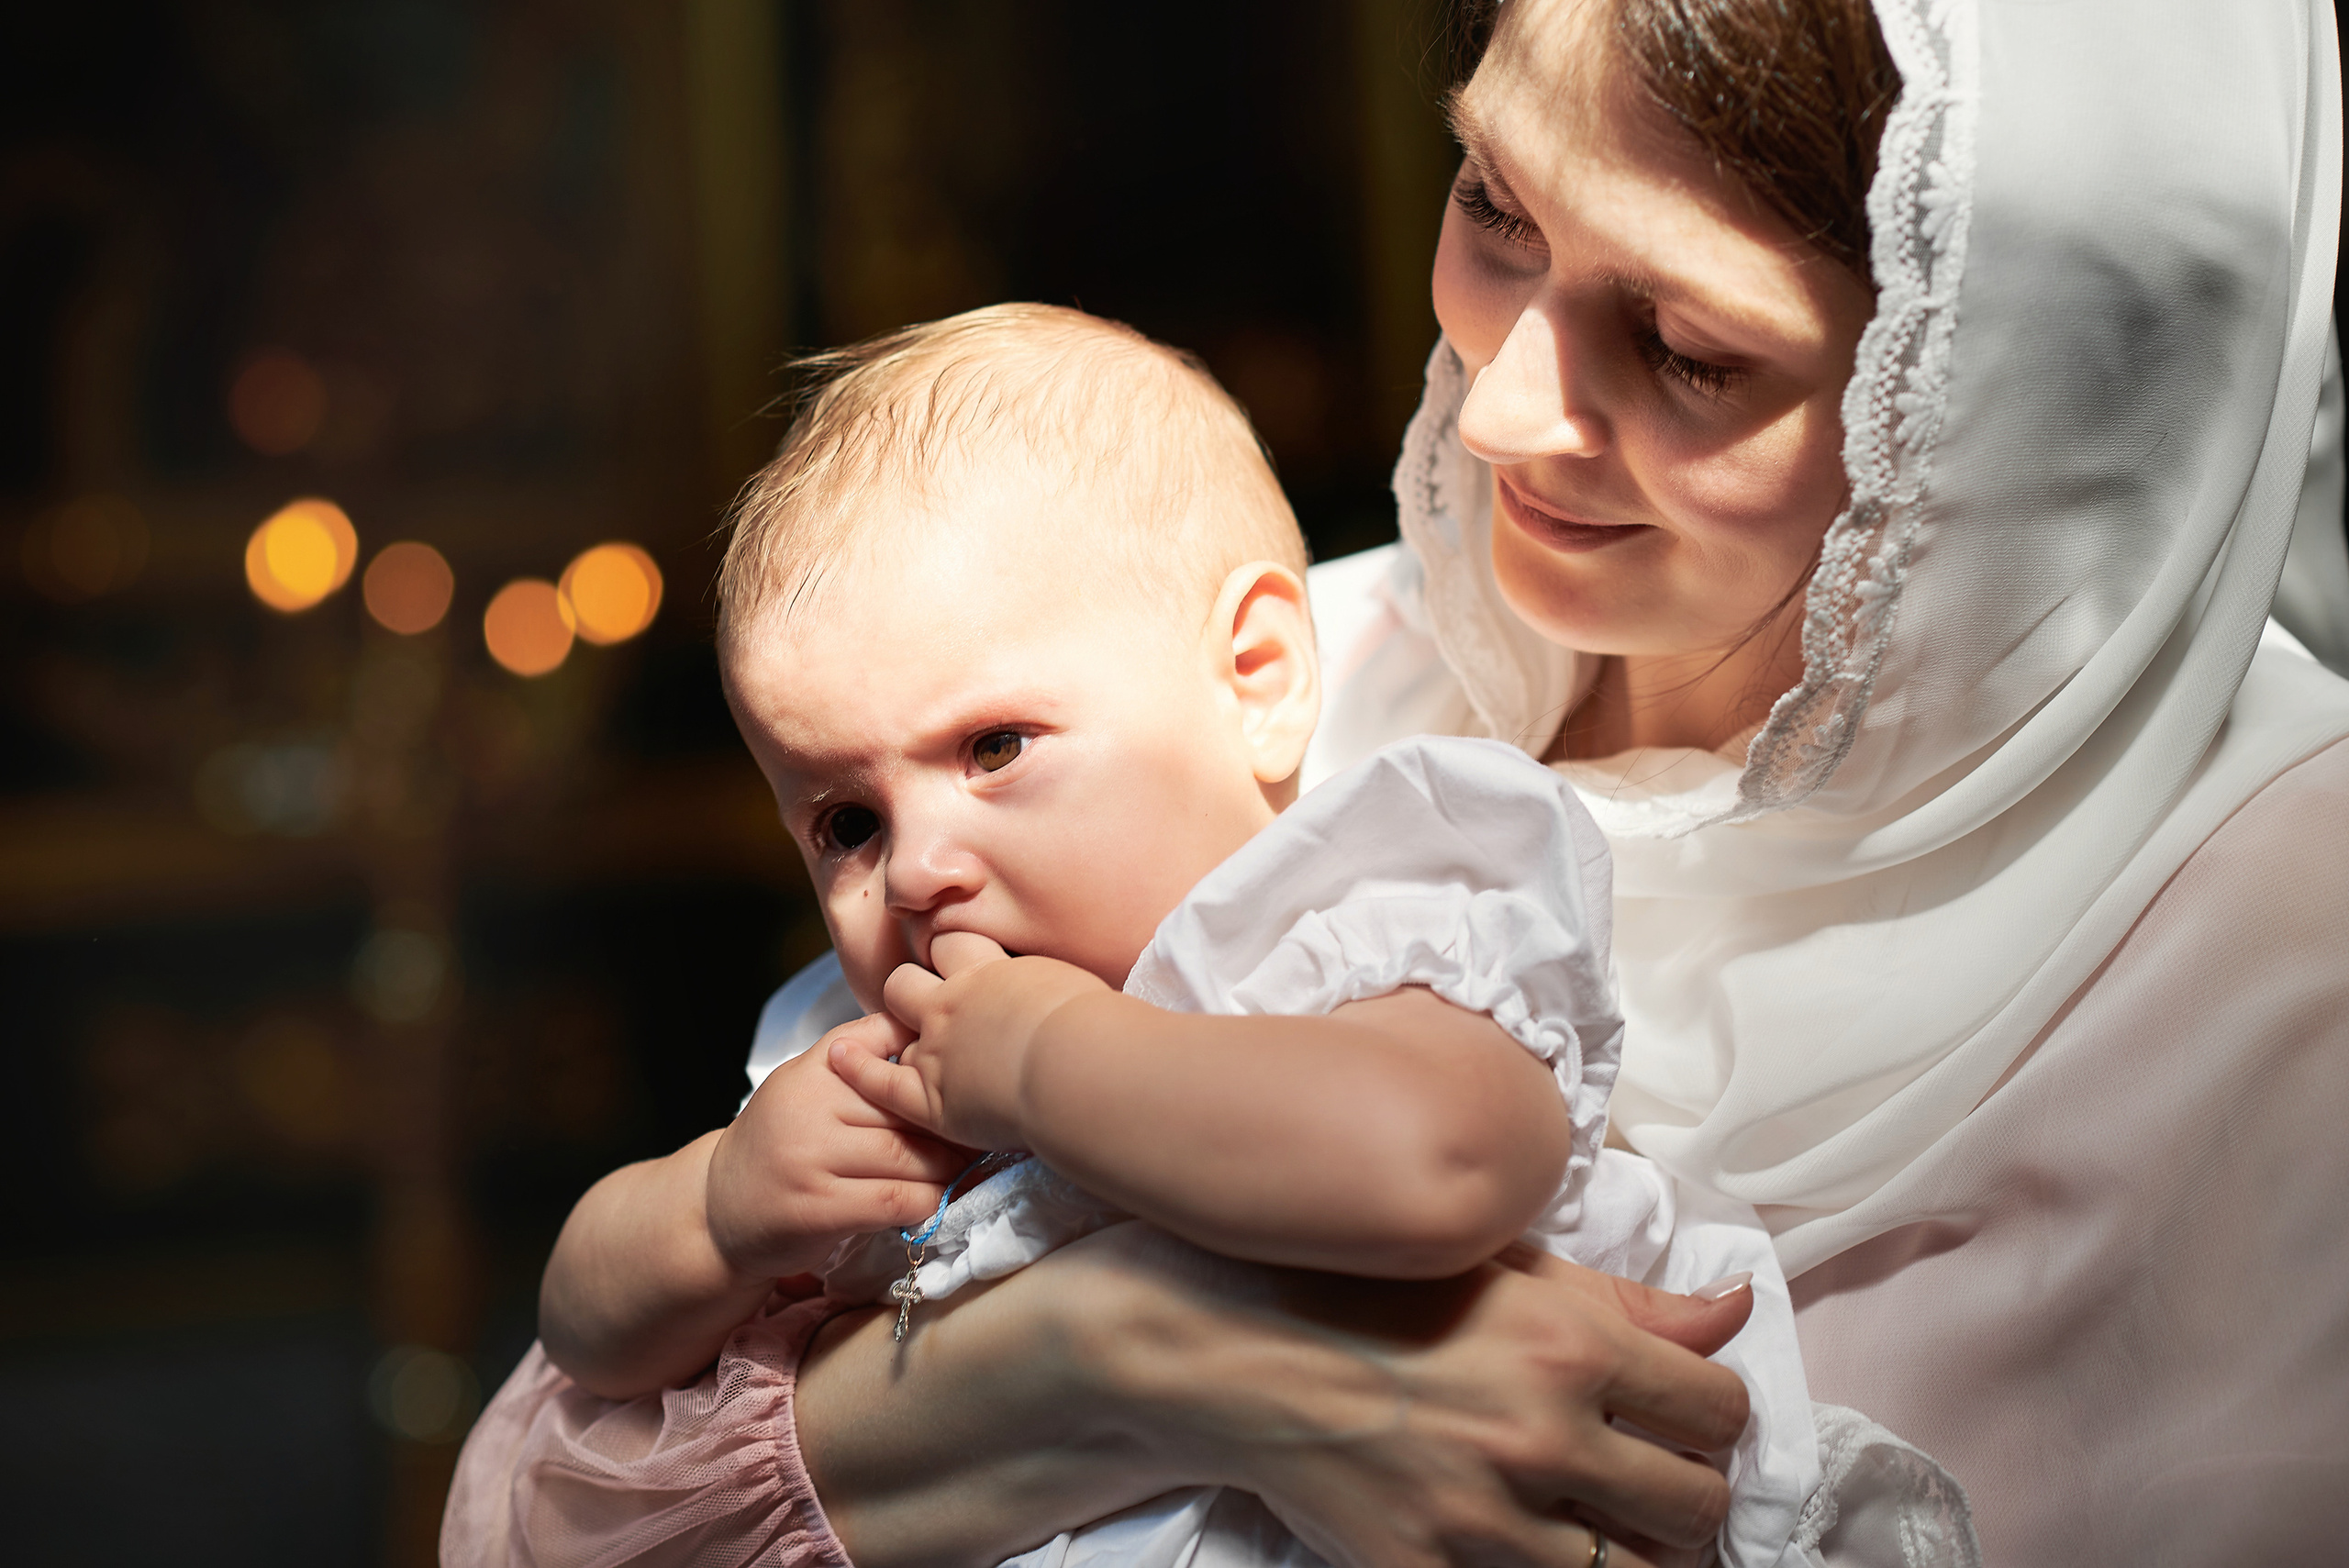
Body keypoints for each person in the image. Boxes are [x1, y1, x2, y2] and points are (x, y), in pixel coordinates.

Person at [442, 0, 2349, 1564]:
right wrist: (1142, 1361)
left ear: (2022, 386)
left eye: (1684, 350)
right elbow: (525, 1513)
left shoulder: (2282, 941)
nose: (1506, 411)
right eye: (1494, 207)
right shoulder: (1235, 692)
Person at [451, 302, 1965, 1568]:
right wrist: (718, 1210)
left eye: (993, 747)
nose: (917, 866)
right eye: (842, 820)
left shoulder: (1358, 902)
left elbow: (1441, 1164)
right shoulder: (872, 1067)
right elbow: (583, 1341)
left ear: (1253, 674)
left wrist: (1054, 1064)